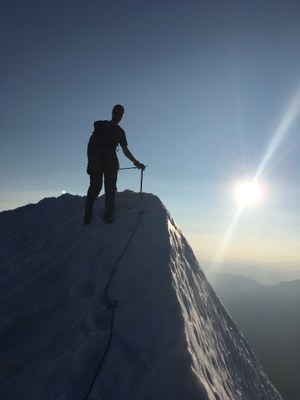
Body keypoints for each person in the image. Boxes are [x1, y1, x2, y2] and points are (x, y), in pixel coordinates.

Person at [83, 104, 145, 224]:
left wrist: (136, 162)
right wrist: (91, 161)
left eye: (121, 114)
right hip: (100, 161)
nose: (119, 116)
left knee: (110, 189)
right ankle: (88, 217)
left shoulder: (120, 132)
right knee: (96, 188)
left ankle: (106, 216)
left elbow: (125, 150)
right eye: (117, 113)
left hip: (109, 162)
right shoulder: (102, 126)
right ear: (113, 113)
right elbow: (92, 143)